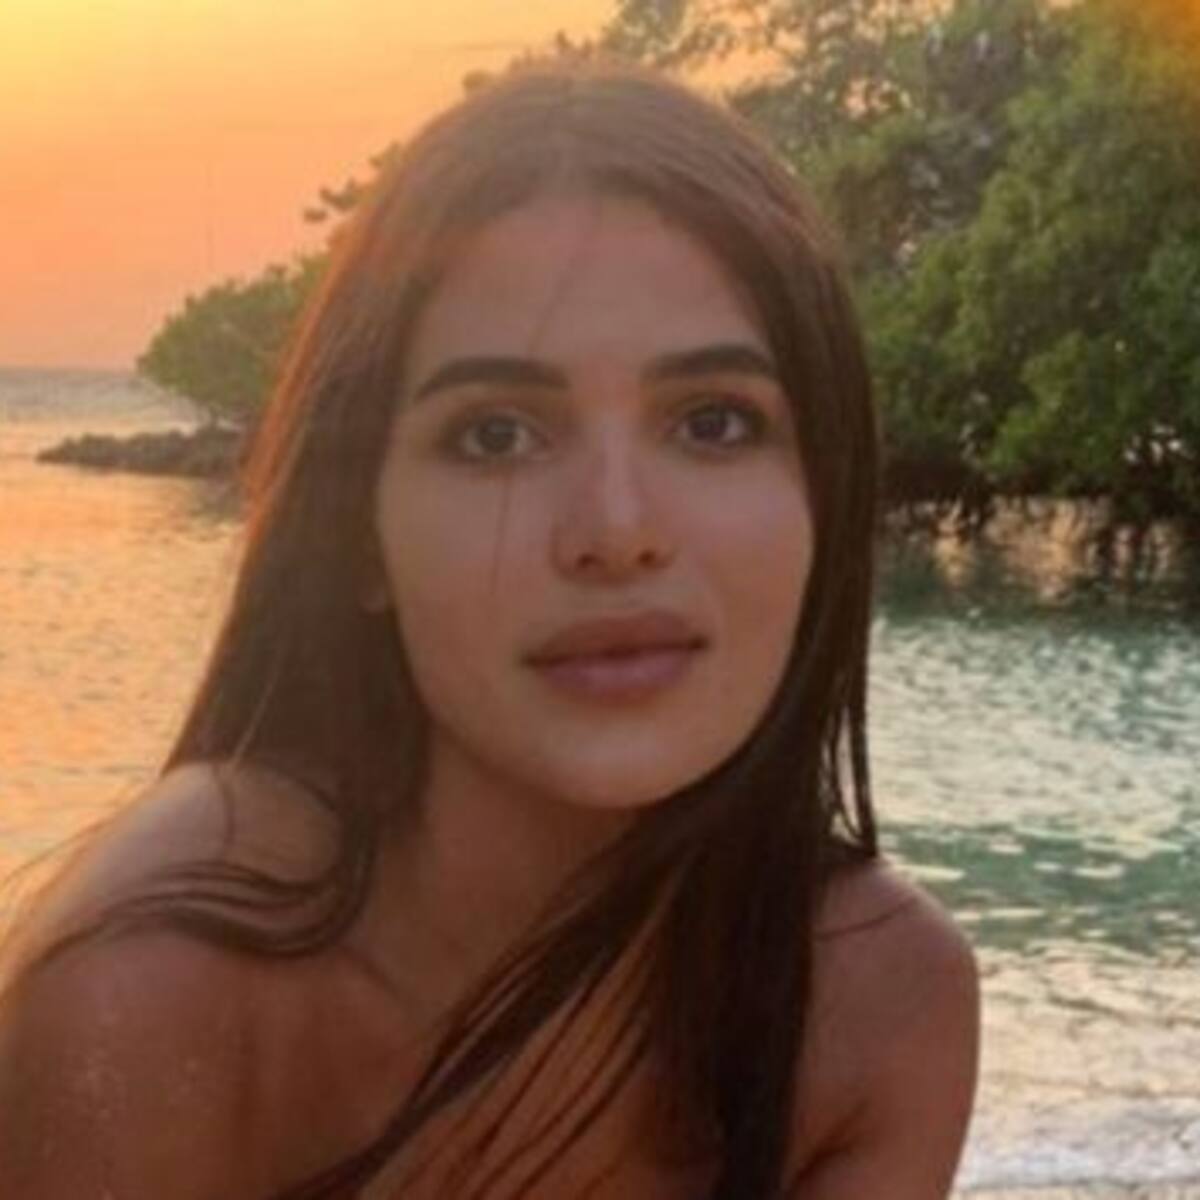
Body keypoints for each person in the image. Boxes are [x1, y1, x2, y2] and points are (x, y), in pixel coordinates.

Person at [0, 62, 979, 1199]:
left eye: (714, 422)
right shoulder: (153, 997)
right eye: (497, 435)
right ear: (359, 532)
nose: (616, 532)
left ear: (825, 495)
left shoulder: (871, 1004)